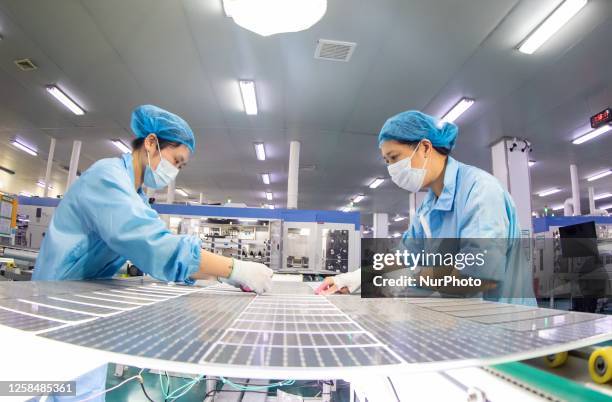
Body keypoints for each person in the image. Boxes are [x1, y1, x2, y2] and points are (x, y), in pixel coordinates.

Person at [34, 104, 273, 401]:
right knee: (31, 389)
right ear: (150, 143)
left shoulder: (136, 197)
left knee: (82, 392)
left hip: (80, 305)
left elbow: (164, 254)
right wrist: (234, 267)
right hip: (52, 304)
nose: (175, 171)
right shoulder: (107, 178)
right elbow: (155, 246)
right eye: (177, 160)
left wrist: (226, 277)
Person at [317, 110, 534, 304]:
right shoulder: (428, 206)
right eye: (387, 161)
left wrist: (414, 276)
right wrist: (355, 277)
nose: (392, 169)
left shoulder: (480, 190)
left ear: (425, 148)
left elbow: (480, 276)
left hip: (503, 326)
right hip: (465, 326)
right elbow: (404, 254)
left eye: (394, 157)